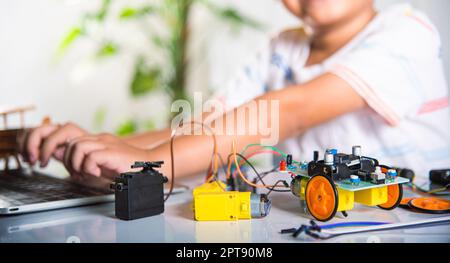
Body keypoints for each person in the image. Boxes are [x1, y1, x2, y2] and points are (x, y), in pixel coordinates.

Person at [19, 0, 449, 181]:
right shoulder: (282, 46)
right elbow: (204, 125)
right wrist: (103, 145)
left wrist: (151, 162)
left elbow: (288, 111)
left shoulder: (405, 32)